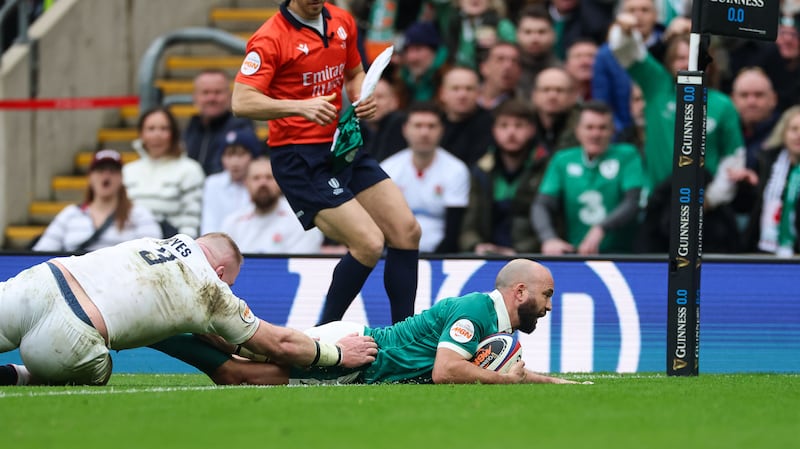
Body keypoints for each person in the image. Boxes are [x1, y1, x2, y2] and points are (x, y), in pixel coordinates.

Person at [231, 0, 421, 325]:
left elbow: (355, 72)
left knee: (407, 231)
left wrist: (363, 96)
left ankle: (406, 338)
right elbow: (241, 101)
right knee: (368, 243)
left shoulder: (341, 21)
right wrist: (299, 108)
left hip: (341, 144)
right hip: (298, 157)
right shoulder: (271, 38)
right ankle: (320, 342)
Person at [0, 233, 378, 386]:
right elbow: (275, 343)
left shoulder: (154, 241)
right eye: (230, 283)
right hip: (71, 338)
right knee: (100, 370)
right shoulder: (210, 289)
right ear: (220, 272)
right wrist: (337, 354)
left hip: (41, 281)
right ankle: (17, 375)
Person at [157, 259, 587, 385]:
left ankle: (174, 328)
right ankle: (164, 324)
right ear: (519, 292)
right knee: (244, 358)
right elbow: (446, 371)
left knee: (243, 364)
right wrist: (509, 383)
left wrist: (551, 384)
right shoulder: (476, 310)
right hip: (353, 351)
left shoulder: (495, 324)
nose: (549, 306)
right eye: (546, 295)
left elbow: (495, 369)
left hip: (360, 367)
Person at [532, 101, 644, 255]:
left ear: (613, 131)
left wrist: (601, 228)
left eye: (602, 128)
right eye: (589, 127)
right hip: (576, 252)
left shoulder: (627, 155)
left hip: (624, 253)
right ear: (577, 131)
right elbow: (541, 205)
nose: (596, 134)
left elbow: (632, 201)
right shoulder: (562, 160)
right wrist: (548, 238)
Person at [380, 102, 470, 254]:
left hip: (441, 255)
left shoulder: (456, 170)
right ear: (405, 129)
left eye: (431, 126)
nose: (424, 133)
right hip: (394, 251)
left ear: (442, 130)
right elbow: (382, 222)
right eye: (418, 125)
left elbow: (453, 230)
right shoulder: (388, 168)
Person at [460, 99, 547, 255]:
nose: (511, 132)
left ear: (532, 130)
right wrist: (476, 245)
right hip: (488, 257)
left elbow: (555, 223)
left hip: (530, 257)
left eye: (519, 126)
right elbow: (469, 223)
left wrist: (519, 251)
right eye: (504, 125)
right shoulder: (481, 170)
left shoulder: (545, 167)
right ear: (494, 130)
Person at [32, 149, 162, 252]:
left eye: (112, 171)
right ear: (90, 177)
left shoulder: (139, 214)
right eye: (100, 170)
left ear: (122, 178)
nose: (106, 176)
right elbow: (41, 254)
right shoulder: (70, 214)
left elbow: (155, 253)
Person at [124, 107, 206, 238]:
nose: (157, 135)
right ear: (141, 134)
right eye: (151, 129)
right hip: (129, 246)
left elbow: (191, 221)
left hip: (169, 248)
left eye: (164, 129)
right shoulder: (128, 171)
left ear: (173, 134)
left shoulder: (190, 169)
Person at [221, 156, 324, 254]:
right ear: (246, 184)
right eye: (256, 178)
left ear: (280, 182)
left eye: (269, 177)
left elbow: (302, 265)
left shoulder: (301, 220)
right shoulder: (233, 222)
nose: (263, 183)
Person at [183, 69, 259, 175]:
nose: (211, 98)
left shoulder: (242, 128)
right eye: (205, 92)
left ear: (229, 95)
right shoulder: (191, 127)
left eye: (218, 92)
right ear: (195, 97)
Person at [200, 129, 262, 234]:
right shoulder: (212, 184)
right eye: (228, 155)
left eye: (241, 154)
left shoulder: (261, 182)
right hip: (220, 245)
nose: (234, 162)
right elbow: (209, 225)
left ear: (253, 157)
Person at [438, 66, 495, 166]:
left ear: (478, 93)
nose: (462, 95)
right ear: (443, 93)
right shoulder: (433, 123)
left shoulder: (492, 123)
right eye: (455, 89)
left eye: (469, 89)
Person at [730, 68, 781, 171]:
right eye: (744, 95)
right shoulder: (724, 131)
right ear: (732, 99)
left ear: (774, 99)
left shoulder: (787, 134)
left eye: (759, 95)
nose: (751, 102)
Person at [530, 66, 581, 153]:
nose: (552, 96)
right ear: (534, 95)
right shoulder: (523, 123)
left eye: (559, 90)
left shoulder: (583, 127)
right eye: (546, 90)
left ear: (572, 97)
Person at [476, 41, 522, 110]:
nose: (508, 66)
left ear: (519, 71)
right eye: (500, 59)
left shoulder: (523, 109)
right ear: (484, 67)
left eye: (514, 61)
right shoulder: (467, 100)